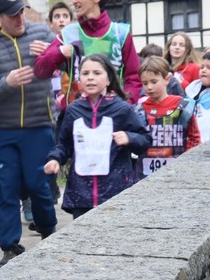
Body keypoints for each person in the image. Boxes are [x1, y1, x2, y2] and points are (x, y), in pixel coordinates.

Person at [0, 0, 58, 267]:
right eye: (13, 15)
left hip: (40, 127)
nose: (20, 19)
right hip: (3, 130)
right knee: (7, 189)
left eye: (22, 12)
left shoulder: (42, 33)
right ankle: (10, 247)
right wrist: (8, 83)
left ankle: (48, 231)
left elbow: (70, 59)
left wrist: (51, 53)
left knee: (39, 185)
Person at [43, 53, 150, 217]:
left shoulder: (122, 109)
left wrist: (129, 138)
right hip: (81, 194)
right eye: (85, 73)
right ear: (79, 80)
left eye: (97, 73)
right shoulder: (73, 110)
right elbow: (64, 144)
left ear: (108, 79)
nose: (90, 78)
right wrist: (54, 159)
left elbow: (145, 139)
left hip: (115, 192)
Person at [34, 0, 142, 105]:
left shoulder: (121, 33)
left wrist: (125, 105)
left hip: (113, 112)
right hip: (77, 112)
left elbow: (134, 77)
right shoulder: (68, 33)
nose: (74, 1)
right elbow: (40, 71)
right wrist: (60, 52)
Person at [135, 56, 200, 177]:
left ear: (167, 79)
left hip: (179, 171)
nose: (149, 87)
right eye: (145, 83)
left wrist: (190, 164)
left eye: (154, 82)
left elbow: (194, 138)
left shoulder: (183, 107)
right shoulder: (138, 110)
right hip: (145, 174)